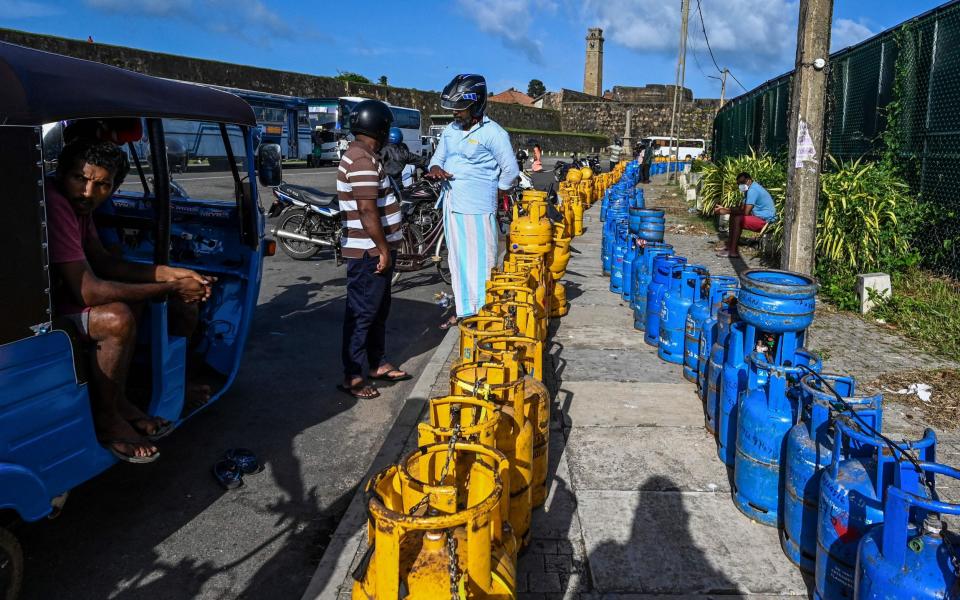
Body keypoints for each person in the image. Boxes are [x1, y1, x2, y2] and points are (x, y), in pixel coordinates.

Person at [47, 139, 214, 463]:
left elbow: (105, 262)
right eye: (80, 179)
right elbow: (89, 292)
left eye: (101, 185)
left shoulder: (79, 205)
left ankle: (120, 401)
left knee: (132, 300)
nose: (87, 192)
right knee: (117, 318)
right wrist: (171, 288)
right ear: (63, 173)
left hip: (62, 296)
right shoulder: (57, 203)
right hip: (43, 311)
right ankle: (108, 421)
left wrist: (171, 274)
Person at [427, 73, 520, 328]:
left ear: (476, 104)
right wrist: (436, 168)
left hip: (478, 208)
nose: (455, 113)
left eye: (460, 108)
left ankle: (482, 311)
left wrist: (497, 192)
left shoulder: (494, 133)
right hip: (452, 205)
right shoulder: (450, 131)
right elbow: (438, 157)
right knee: (456, 260)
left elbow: (510, 171)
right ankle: (463, 307)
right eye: (453, 108)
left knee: (481, 262)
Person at [337, 100, 411, 400]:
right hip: (368, 253)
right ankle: (353, 375)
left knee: (378, 310)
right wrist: (383, 249)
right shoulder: (361, 160)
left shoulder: (364, 155)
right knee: (362, 314)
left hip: (374, 251)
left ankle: (377, 363)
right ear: (380, 128)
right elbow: (367, 210)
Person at [713, 171, 777, 258]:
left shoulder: (753, 190)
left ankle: (733, 252)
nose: (740, 186)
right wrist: (724, 209)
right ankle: (729, 246)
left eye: (742, 183)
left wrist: (725, 211)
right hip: (759, 217)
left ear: (749, 181)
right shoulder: (749, 190)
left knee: (738, 219)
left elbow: (746, 212)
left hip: (766, 221)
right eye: (738, 184)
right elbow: (741, 208)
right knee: (734, 216)